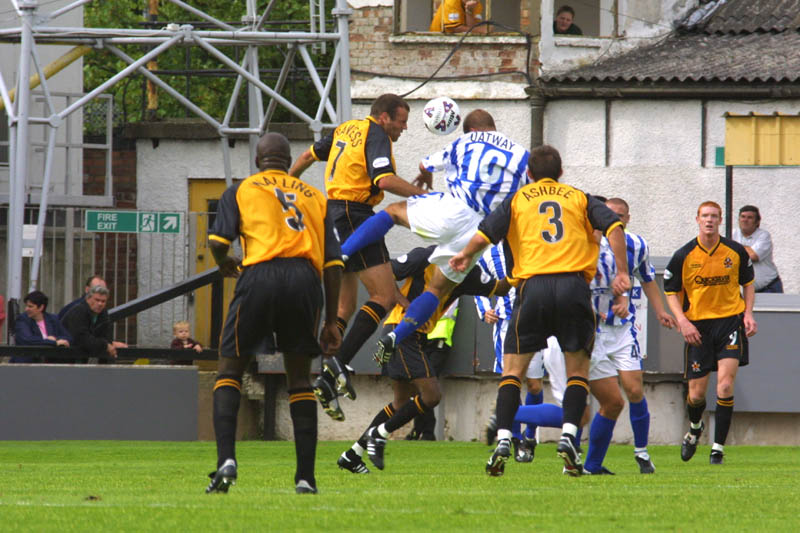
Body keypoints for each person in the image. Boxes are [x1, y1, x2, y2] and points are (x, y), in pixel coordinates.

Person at [449, 144, 630, 477]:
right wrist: (622, 271)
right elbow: (615, 226)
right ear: (561, 172)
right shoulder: (578, 197)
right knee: (577, 373)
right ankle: (570, 438)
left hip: (532, 289)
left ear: (528, 174)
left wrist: (463, 255)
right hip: (574, 287)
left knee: (512, 373)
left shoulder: (518, 199)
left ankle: (504, 438)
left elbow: (485, 233)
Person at [339, 109, 530, 380]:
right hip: (477, 233)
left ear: (471, 131)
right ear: (493, 126)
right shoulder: (522, 155)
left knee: (393, 211)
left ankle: (343, 254)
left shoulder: (465, 142)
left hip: (453, 213)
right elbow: (526, 201)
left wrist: (426, 176)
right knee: (437, 291)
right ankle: (393, 340)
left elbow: (426, 163)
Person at [205, 132, 343, 495]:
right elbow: (333, 263)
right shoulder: (316, 198)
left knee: (230, 367)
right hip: (304, 280)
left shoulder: (240, 189)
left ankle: (226, 461)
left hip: (259, 275)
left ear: (258, 160)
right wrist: (331, 320)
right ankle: (305, 478)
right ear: (287, 160)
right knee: (299, 379)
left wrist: (225, 264)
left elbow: (218, 242)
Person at [289, 93, 429, 419]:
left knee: (344, 306)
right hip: (356, 214)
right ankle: (338, 364)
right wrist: (425, 196)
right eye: (401, 121)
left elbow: (308, 156)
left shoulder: (343, 129)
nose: (403, 129)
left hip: (333, 214)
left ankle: (327, 374)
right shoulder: (375, 134)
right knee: (383, 295)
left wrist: (286, 184)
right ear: (384, 118)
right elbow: (384, 180)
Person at [338, 246, 509, 474]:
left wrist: (525, 272)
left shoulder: (470, 270)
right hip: (401, 331)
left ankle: (352, 454)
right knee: (431, 395)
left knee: (400, 403)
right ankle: (378, 435)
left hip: (415, 335)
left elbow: (499, 288)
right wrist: (408, 306)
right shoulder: (426, 255)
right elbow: (386, 277)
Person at [588, 197, 677, 474]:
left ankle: (641, 452)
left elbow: (648, 278)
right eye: (609, 214)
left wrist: (660, 310)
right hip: (593, 331)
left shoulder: (636, 244)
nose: (614, 219)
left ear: (627, 219)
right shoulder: (587, 243)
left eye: (620, 216)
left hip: (623, 329)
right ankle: (586, 458)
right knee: (599, 400)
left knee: (634, 389)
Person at [664, 201, 757, 465]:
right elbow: (671, 290)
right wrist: (682, 321)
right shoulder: (684, 255)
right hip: (698, 327)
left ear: (720, 220)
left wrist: (748, 314)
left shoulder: (735, 251)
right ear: (697, 219)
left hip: (729, 322)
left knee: (725, 384)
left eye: (714, 216)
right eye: (705, 216)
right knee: (695, 394)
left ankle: (717, 448)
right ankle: (695, 429)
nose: (709, 220)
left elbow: (748, 284)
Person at [477, 242, 542, 462]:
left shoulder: (533, 243)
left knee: (534, 384)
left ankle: (530, 437)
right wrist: (485, 310)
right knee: (510, 381)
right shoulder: (490, 254)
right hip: (505, 324)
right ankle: (513, 439)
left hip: (534, 321)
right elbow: (478, 282)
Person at [405, 300, 458, 441]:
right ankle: (419, 429)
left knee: (426, 383)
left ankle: (427, 431)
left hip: (440, 341)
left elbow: (441, 309)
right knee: (420, 383)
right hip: (423, 339)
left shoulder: (450, 287)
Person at [61, 285, 127, 363]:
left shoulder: (103, 313)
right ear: (88, 299)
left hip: (82, 356)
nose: (100, 304)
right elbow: (82, 339)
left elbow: (106, 335)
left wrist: (109, 344)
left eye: (103, 301)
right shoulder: (79, 311)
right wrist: (105, 345)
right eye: (97, 300)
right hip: (65, 356)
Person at [732, 205, 783, 293]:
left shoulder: (763, 235)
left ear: (757, 222)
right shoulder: (732, 233)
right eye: (743, 217)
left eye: (750, 217)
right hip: (746, 291)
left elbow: (753, 256)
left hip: (768, 288)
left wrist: (735, 247)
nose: (745, 220)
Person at [11, 290, 72, 363]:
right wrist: (52, 342)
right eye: (26, 306)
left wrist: (55, 339)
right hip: (27, 363)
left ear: (41, 307)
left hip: (50, 362)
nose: (26, 309)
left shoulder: (53, 319)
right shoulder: (22, 319)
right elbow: (27, 340)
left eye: (30, 306)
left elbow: (68, 338)